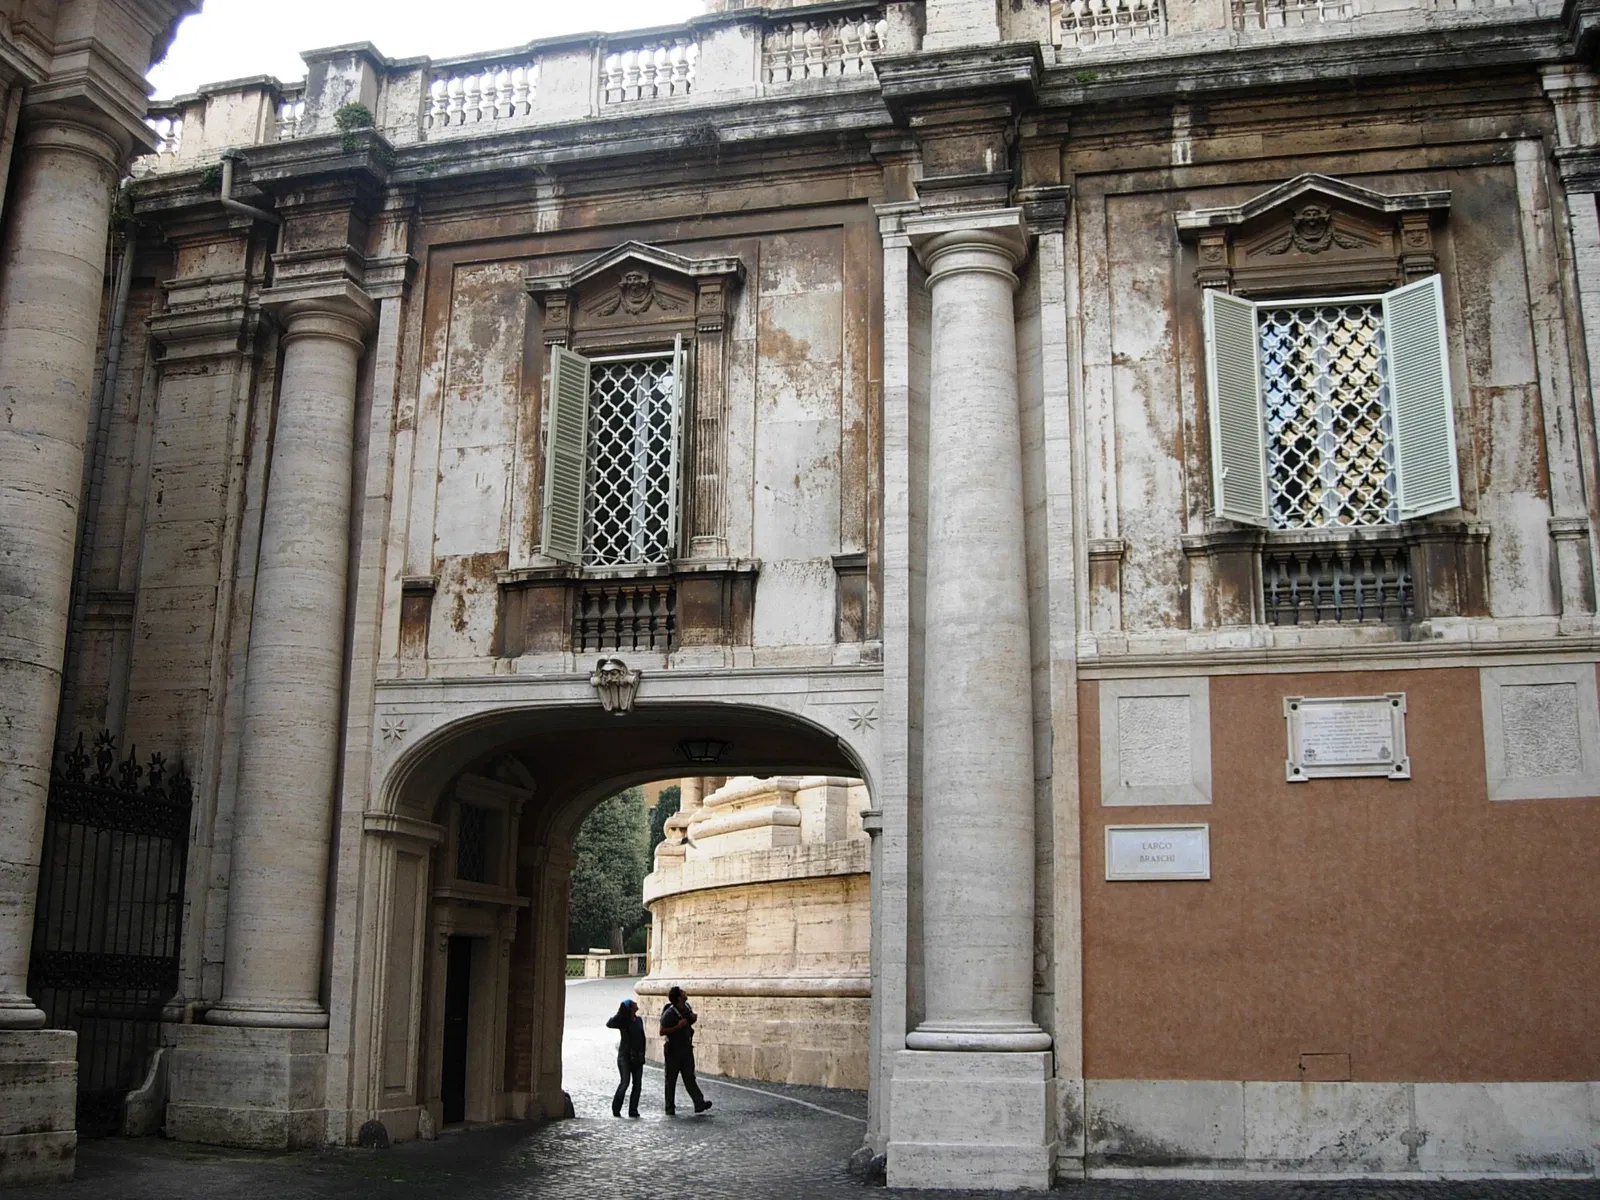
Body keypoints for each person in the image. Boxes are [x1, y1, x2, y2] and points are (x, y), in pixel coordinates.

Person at [659, 986, 712, 1115]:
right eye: (682, 992)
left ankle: (699, 1103)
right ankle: (669, 1107)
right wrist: (677, 1027)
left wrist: (693, 1019)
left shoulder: (686, 1007)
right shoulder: (669, 1014)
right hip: (673, 1051)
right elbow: (662, 1031)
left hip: (686, 1048)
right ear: (678, 997)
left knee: (689, 1077)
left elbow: (689, 1022)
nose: (685, 993)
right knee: (671, 1080)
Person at [606, 998, 646, 1118]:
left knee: (637, 1085)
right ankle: (616, 1108)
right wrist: (620, 1014)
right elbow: (609, 1023)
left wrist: (643, 1054)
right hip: (625, 1057)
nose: (635, 1003)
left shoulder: (639, 1020)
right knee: (625, 1082)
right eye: (633, 1003)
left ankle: (633, 1110)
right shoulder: (624, 1022)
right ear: (630, 1008)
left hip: (637, 1057)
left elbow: (642, 1038)